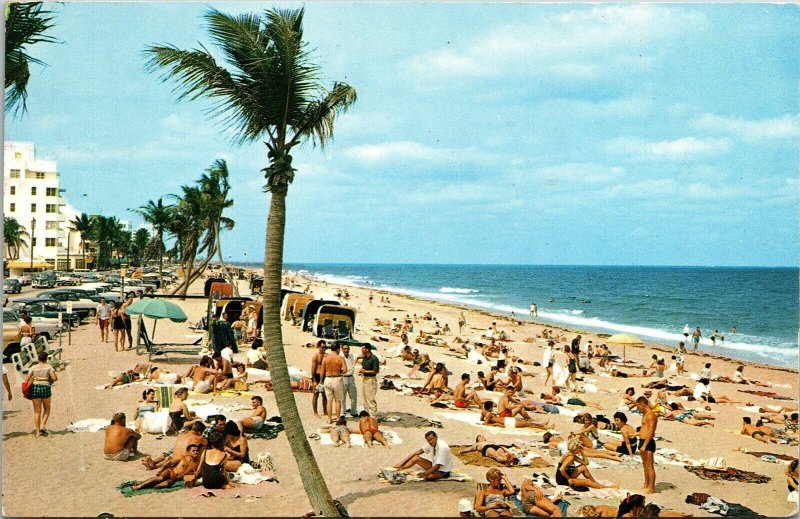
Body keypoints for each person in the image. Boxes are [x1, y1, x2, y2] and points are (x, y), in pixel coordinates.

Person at [132, 444, 201, 490]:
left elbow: (197, 473)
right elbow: (170, 462)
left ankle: (144, 484)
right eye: (193, 450)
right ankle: (139, 486)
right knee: (160, 478)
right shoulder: (182, 458)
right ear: (188, 452)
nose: (196, 452)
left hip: (175, 478)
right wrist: (161, 470)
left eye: (197, 450)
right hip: (170, 471)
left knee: (166, 484)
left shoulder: (197, 463)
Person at [26, 351, 56, 436]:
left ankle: (37, 431)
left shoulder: (33, 367)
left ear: (38, 358)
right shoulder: (49, 367)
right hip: (45, 387)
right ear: (46, 359)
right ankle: (43, 426)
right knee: (47, 408)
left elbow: (26, 379)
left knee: (37, 411)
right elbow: (54, 377)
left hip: (35, 388)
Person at [636, 396, 658, 494]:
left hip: (648, 442)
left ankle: (651, 487)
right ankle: (646, 483)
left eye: (638, 406)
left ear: (642, 404)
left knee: (649, 465)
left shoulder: (651, 416)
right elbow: (643, 429)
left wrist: (645, 445)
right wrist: (636, 434)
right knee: (645, 465)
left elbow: (650, 431)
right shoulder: (645, 415)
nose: (638, 408)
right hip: (642, 440)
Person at [321, 342, 346, 423]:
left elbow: (322, 371)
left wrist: (321, 381)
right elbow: (345, 370)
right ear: (338, 349)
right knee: (338, 400)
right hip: (337, 378)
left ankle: (329, 418)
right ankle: (338, 418)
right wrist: (340, 372)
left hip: (327, 379)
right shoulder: (340, 358)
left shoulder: (325, 358)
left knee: (329, 400)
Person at [359, 343, 380, 417]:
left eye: (363, 349)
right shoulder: (365, 357)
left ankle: (373, 417)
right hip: (365, 379)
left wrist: (365, 371)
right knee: (365, 399)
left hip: (371, 379)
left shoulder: (374, 359)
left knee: (370, 399)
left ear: (367, 349)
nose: (361, 350)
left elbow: (376, 371)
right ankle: (367, 415)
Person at [310, 341, 328, 417]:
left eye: (325, 347)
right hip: (317, 376)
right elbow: (313, 368)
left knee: (325, 395)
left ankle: (325, 410)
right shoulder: (316, 356)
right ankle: (315, 412)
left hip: (324, 376)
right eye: (322, 347)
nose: (324, 349)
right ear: (319, 347)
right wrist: (314, 380)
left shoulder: (327, 356)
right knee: (315, 395)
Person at [340, 343, 358, 417]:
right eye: (344, 349)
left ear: (349, 349)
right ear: (342, 349)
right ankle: (342, 412)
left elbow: (360, 356)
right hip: (343, 377)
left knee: (353, 395)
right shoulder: (340, 357)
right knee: (342, 396)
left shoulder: (352, 356)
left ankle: (353, 411)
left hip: (351, 377)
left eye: (347, 348)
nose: (346, 350)